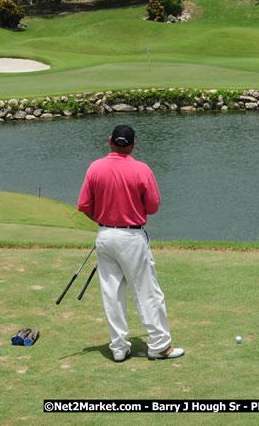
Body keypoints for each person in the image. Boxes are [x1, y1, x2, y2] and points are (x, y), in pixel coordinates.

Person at [77, 124, 184, 362]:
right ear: (133, 144)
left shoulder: (95, 167)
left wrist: (104, 220)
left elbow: (84, 205)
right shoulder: (142, 169)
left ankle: (118, 348)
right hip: (132, 237)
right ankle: (159, 345)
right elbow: (153, 207)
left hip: (105, 236)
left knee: (111, 293)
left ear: (110, 141)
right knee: (147, 292)